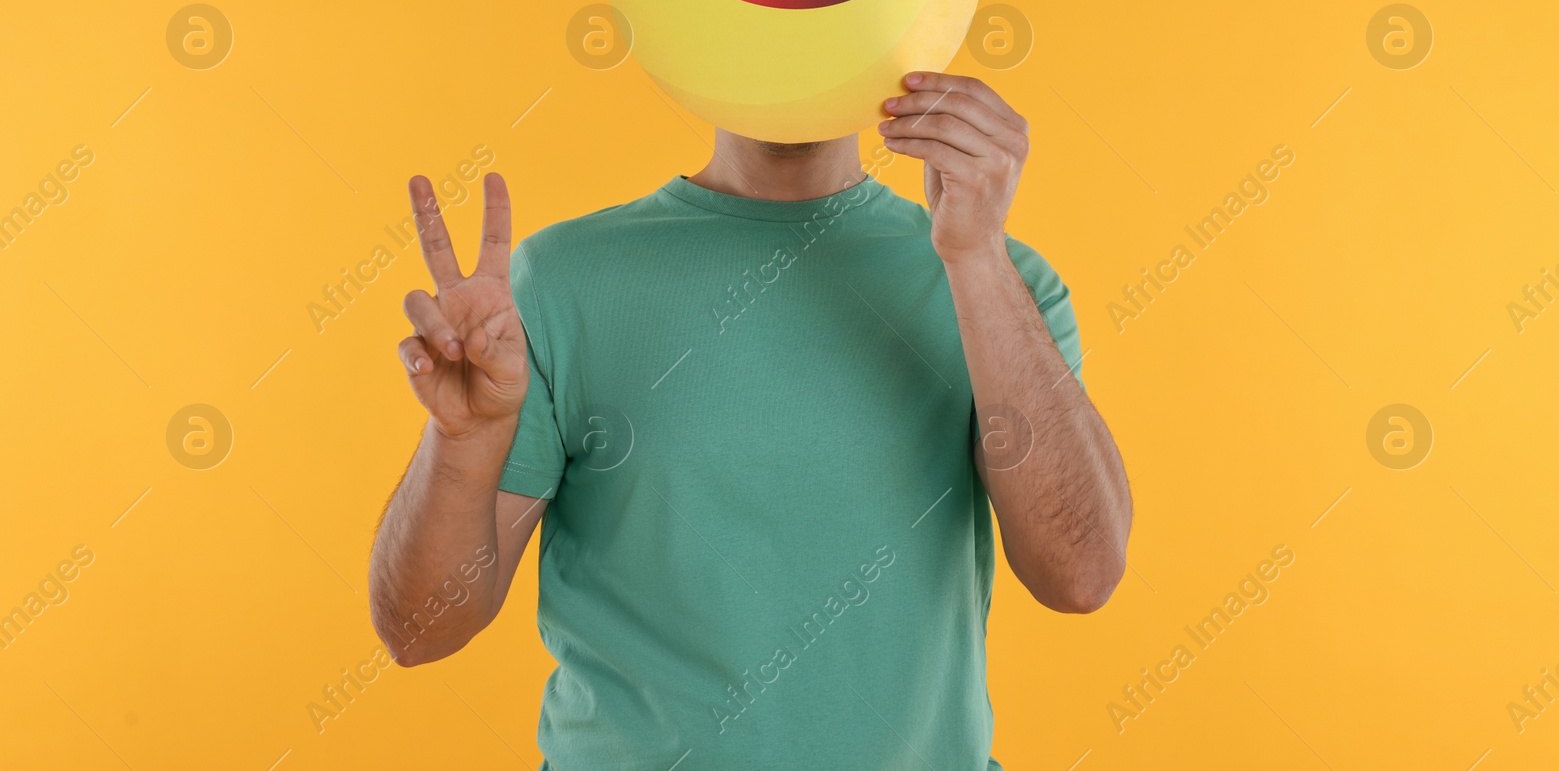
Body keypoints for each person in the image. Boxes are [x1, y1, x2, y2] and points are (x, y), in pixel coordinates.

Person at [368, 71, 1132, 769]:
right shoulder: (555, 282)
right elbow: (418, 630)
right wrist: (462, 439)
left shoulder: (1001, 283)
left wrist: (976, 257)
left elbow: (1082, 574)